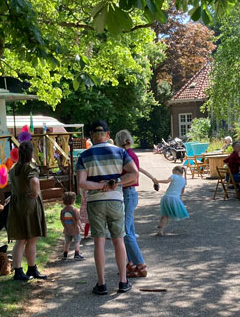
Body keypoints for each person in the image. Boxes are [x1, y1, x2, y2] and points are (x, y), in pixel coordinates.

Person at [76, 120, 139, 295]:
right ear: (108, 135)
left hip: (95, 202)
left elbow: (81, 183)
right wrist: (115, 182)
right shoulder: (120, 152)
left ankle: (102, 283)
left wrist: (98, 186)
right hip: (115, 201)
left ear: (91, 135)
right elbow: (134, 174)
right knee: (119, 240)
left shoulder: (84, 156)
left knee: (99, 242)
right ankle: (123, 282)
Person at [114, 129, 159, 279]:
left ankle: (141, 265)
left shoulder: (126, 155)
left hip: (127, 193)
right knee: (130, 231)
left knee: (126, 232)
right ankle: (132, 263)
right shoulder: (130, 154)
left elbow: (133, 177)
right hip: (129, 194)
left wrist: (116, 182)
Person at [7, 141, 47, 281]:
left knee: (20, 239)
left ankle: (19, 270)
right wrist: (35, 193)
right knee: (32, 239)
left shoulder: (14, 168)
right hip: (29, 205)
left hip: (17, 204)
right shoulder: (29, 166)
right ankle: (31, 269)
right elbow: (35, 182)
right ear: (31, 153)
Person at [155, 166, 189, 236]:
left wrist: (157, 181)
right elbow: (182, 192)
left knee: (164, 214)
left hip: (167, 197)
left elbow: (167, 181)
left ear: (176, 171)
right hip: (175, 199)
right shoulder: (184, 181)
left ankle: (161, 230)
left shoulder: (174, 176)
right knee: (165, 214)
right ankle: (160, 225)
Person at [60, 192, 84, 261]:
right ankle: (76, 254)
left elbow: (61, 219)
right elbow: (78, 219)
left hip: (67, 229)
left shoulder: (63, 210)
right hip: (74, 229)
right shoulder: (74, 210)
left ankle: (65, 254)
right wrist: (81, 227)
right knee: (77, 241)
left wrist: (64, 226)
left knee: (67, 242)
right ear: (73, 200)